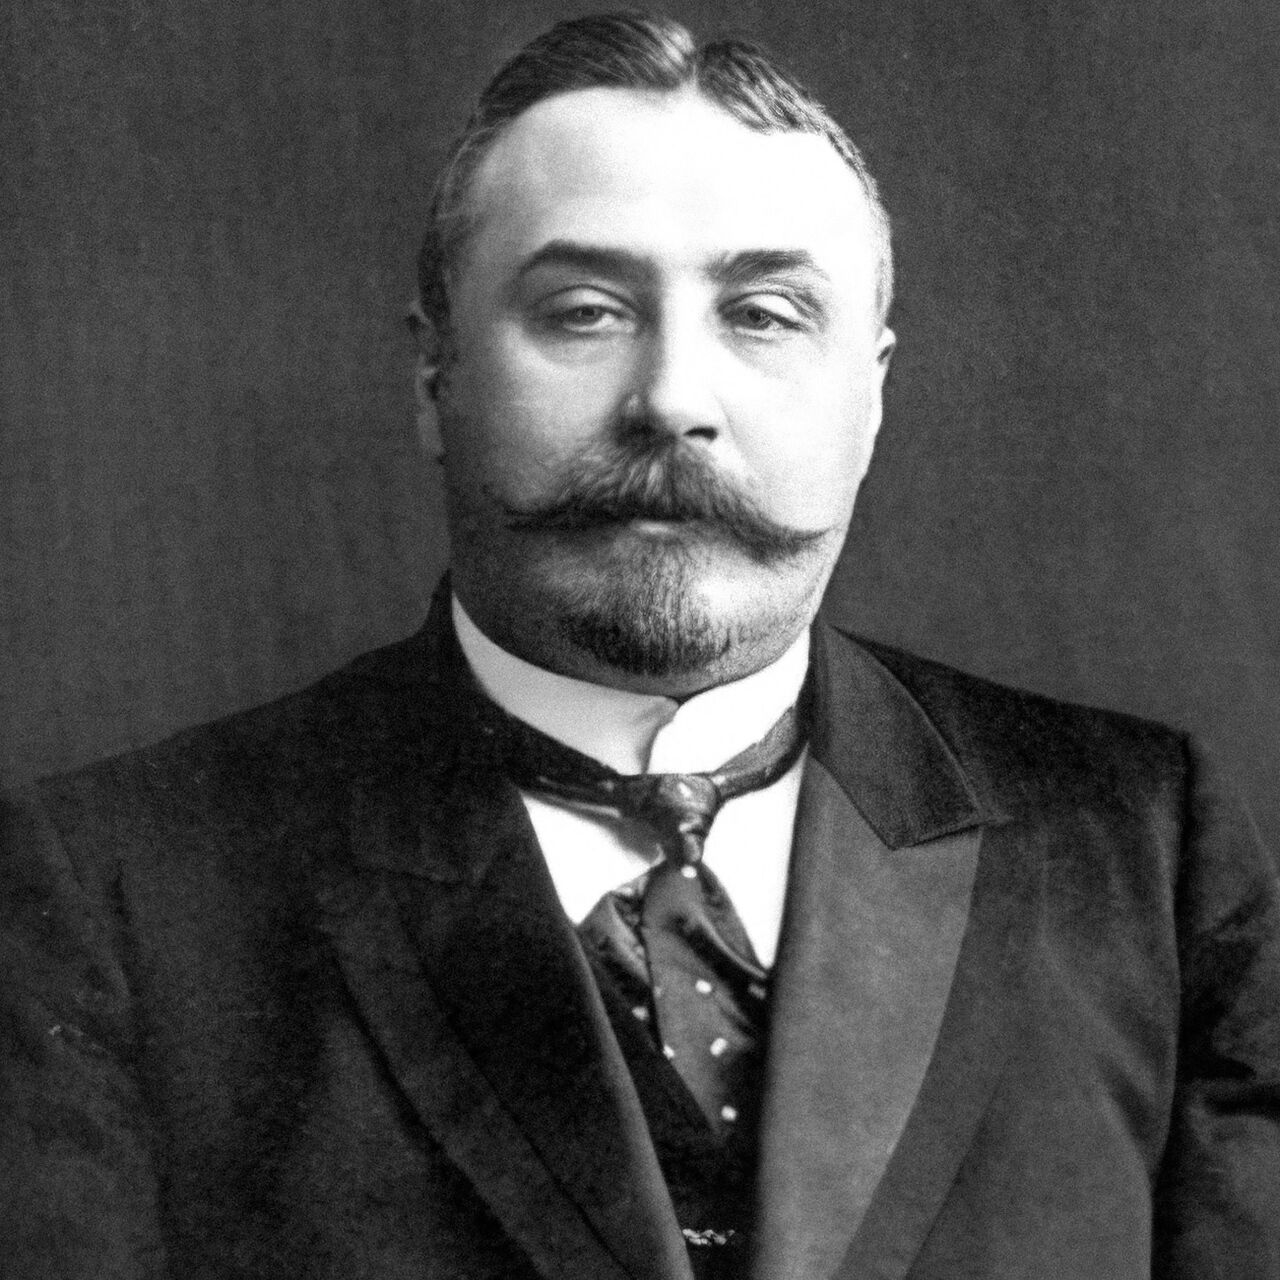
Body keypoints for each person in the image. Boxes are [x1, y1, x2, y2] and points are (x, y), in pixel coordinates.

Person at [2, 11, 1278, 1280]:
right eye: (584, 312)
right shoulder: (111, 893)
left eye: (764, 313)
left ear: (872, 394)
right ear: (435, 375)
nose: (671, 397)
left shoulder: (1145, 854)